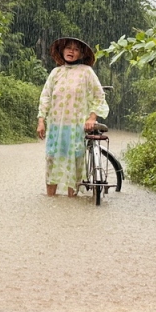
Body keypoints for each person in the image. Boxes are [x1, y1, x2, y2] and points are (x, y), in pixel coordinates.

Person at [36, 36, 109, 197]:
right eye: (68, 48)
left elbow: (99, 95)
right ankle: (51, 199)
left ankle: (72, 199)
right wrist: (41, 120)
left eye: (76, 49)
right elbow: (45, 97)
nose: (71, 51)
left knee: (75, 164)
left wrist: (91, 118)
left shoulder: (86, 72)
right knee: (52, 161)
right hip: (55, 126)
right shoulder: (56, 72)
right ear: (62, 50)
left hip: (76, 127)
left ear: (81, 54)